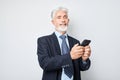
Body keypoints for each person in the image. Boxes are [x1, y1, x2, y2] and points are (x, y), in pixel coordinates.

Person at [37, 7, 91, 80]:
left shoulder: (75, 42)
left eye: (65, 17)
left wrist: (84, 60)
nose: (63, 20)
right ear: (53, 22)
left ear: (68, 21)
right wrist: (70, 56)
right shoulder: (44, 41)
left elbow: (82, 67)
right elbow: (45, 64)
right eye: (59, 17)